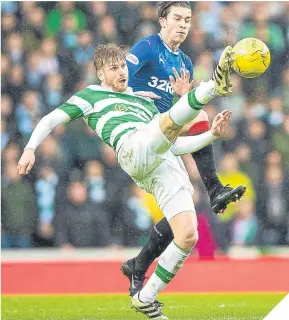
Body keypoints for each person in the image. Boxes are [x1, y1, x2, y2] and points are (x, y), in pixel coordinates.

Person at [18, 43, 233, 319]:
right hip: (131, 148)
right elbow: (50, 119)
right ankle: (214, 84)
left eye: (122, 66)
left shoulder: (143, 100)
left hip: (158, 160)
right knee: (169, 122)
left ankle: (146, 297)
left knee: (188, 234)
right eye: (113, 68)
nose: (121, 72)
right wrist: (30, 148)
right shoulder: (91, 96)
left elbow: (171, 145)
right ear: (100, 74)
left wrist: (212, 135)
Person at [122, 0, 246, 297]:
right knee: (200, 114)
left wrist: (181, 96)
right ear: (162, 21)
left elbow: (180, 108)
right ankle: (214, 187)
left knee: (185, 209)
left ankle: (138, 265)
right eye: (177, 18)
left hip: (165, 137)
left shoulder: (185, 63)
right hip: (142, 132)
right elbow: (120, 80)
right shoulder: (146, 47)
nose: (183, 24)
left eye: (188, 20)